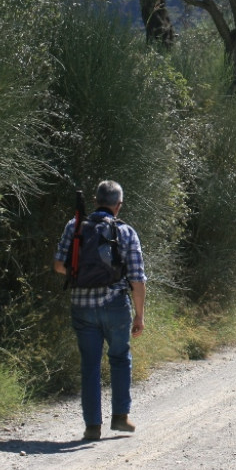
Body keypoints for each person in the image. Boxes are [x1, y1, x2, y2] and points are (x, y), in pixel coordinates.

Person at [53, 180, 146, 442]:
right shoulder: (126, 232)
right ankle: (120, 417)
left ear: (95, 201)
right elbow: (137, 279)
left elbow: (59, 266)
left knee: (90, 365)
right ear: (118, 205)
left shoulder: (75, 226)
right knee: (119, 358)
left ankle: (92, 426)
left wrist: (82, 274)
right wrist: (139, 315)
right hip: (115, 304)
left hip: (82, 306)